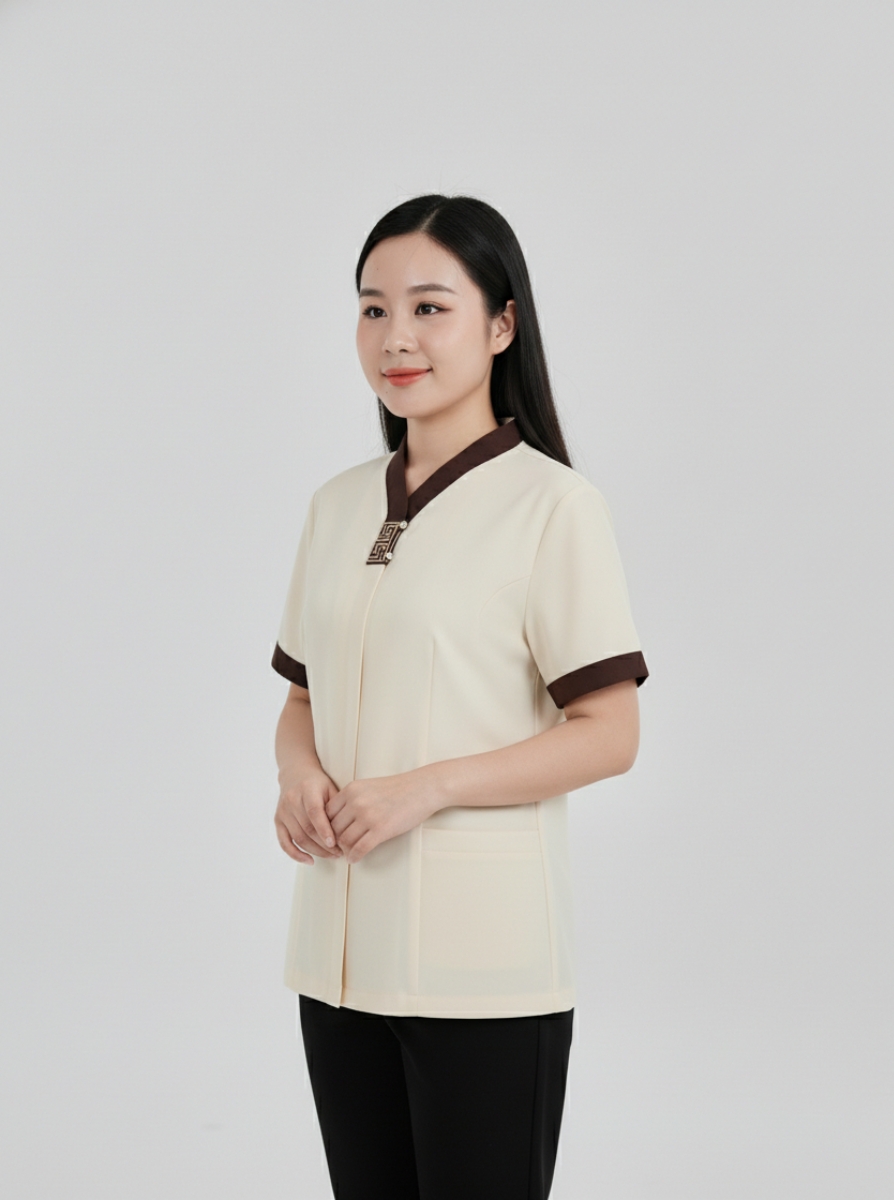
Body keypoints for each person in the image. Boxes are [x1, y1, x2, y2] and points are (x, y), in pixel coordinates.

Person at [270, 194, 648, 1200]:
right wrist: (297, 776)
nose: (395, 337)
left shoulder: (554, 507)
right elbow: (302, 698)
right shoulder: (337, 505)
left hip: (483, 970)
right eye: (373, 309)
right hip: (335, 964)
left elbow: (609, 732)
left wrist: (425, 787)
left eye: (430, 308)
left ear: (502, 323)